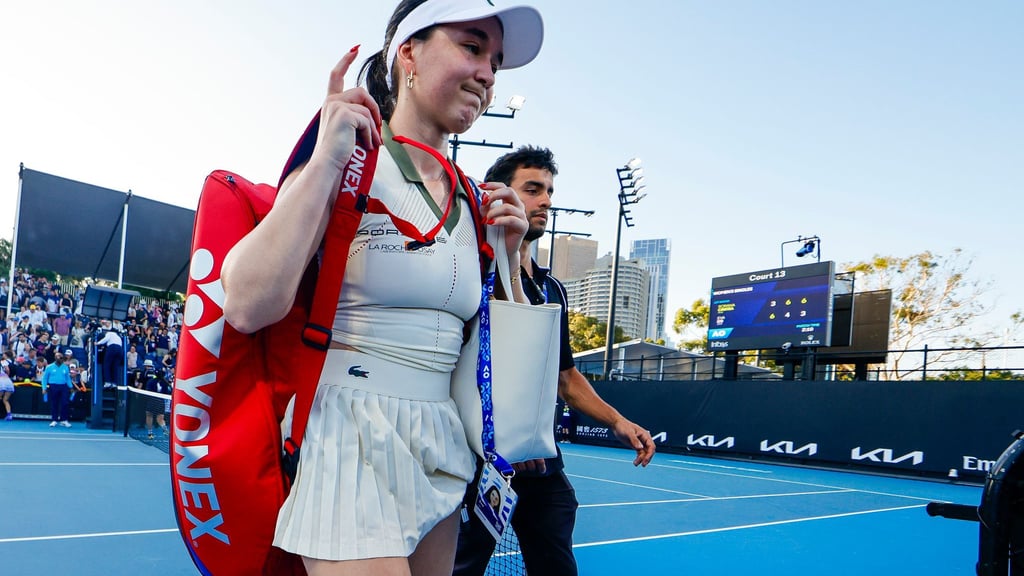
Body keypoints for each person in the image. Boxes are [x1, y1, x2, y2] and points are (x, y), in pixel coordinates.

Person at [219, 1, 543, 574]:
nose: (489, 74)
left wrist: (512, 264)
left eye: (494, 61)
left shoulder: (474, 199)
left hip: (442, 437)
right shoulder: (349, 161)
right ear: (408, 52)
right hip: (347, 430)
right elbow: (245, 304)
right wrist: (325, 159)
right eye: (472, 47)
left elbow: (500, 361)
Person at [453, 146, 657, 576]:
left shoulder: (553, 291)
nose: (546, 200)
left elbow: (564, 376)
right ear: (498, 194)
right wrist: (504, 438)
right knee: (461, 567)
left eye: (549, 190)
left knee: (556, 565)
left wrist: (618, 420)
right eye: (533, 189)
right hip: (478, 460)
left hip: (541, 464)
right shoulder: (469, 270)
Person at [41, 350, 73, 428]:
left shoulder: (65, 367)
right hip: (53, 386)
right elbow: (44, 378)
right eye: (58, 358)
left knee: (65, 403)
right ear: (55, 358)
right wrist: (44, 388)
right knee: (54, 403)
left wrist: (71, 387)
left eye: (61, 358)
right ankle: (54, 420)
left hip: (64, 386)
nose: (60, 359)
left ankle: (64, 420)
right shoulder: (49, 367)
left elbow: (68, 378)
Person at [94, 322, 124, 389]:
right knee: (115, 366)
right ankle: (114, 383)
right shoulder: (118, 337)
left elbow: (106, 339)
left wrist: (97, 343)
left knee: (106, 364)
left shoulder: (110, 333)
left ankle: (107, 382)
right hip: (120, 350)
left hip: (112, 348)